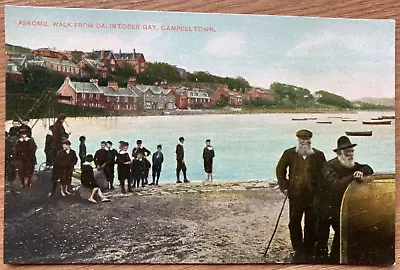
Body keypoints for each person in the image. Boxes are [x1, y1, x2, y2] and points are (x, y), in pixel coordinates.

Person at [314, 136, 373, 264]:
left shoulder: (352, 165)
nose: (350, 155)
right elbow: (334, 185)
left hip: (337, 208)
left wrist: (360, 172)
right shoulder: (328, 167)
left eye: (352, 152)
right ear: (339, 154)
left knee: (341, 235)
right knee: (321, 239)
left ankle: (335, 261)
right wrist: (352, 177)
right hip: (323, 207)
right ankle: (320, 263)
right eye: (347, 153)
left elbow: (368, 168)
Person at [276, 129, 326, 263]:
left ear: (310, 140)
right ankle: (299, 249)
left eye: (306, 139)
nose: (304, 142)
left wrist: (321, 191)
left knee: (311, 222)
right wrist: (284, 186)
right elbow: (280, 170)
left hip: (313, 195)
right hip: (295, 194)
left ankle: (309, 249)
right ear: (298, 140)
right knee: (294, 222)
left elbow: (324, 174)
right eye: (301, 139)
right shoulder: (289, 153)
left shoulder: (318, 155)